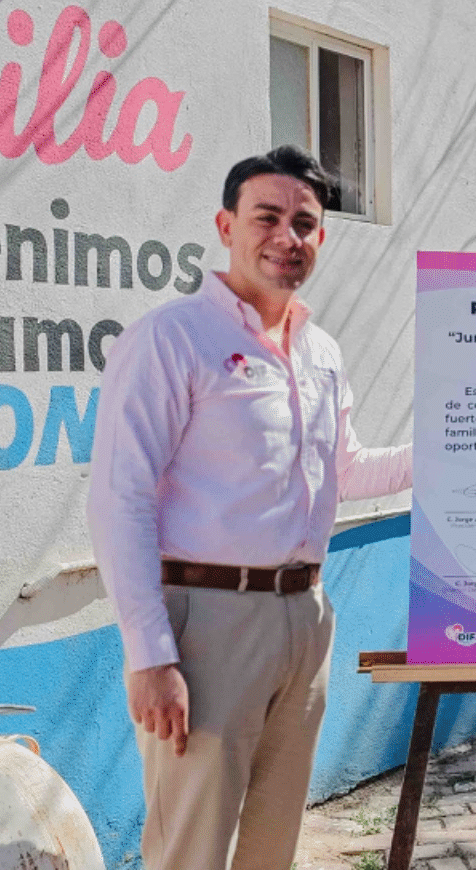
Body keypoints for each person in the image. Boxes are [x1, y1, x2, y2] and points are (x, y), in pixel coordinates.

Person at [86, 145, 413, 870]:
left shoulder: (320, 351)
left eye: (304, 222)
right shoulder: (172, 339)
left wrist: (455, 449)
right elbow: (120, 498)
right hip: (206, 623)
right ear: (225, 224)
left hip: (305, 617)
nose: (286, 236)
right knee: (192, 848)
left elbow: (346, 470)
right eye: (266, 216)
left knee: (272, 844)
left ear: (321, 238)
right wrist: (149, 654)